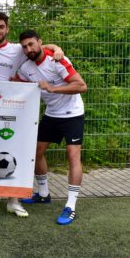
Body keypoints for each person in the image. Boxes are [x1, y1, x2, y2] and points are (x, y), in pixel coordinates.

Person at [0, 11, 64, 218]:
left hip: (13, 106)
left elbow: (44, 47)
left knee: (13, 148)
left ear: (7, 28)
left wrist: (57, 48)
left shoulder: (19, 49)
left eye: (1, 27)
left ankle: (14, 200)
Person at [16, 29, 87, 225]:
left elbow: (81, 86)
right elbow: (18, 87)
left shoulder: (57, 60)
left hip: (73, 114)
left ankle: (71, 206)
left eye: (31, 44)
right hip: (51, 114)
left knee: (73, 156)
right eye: (24, 46)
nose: (28, 49)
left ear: (40, 42)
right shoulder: (25, 69)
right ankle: (44, 193)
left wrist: (53, 88)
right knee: (36, 152)